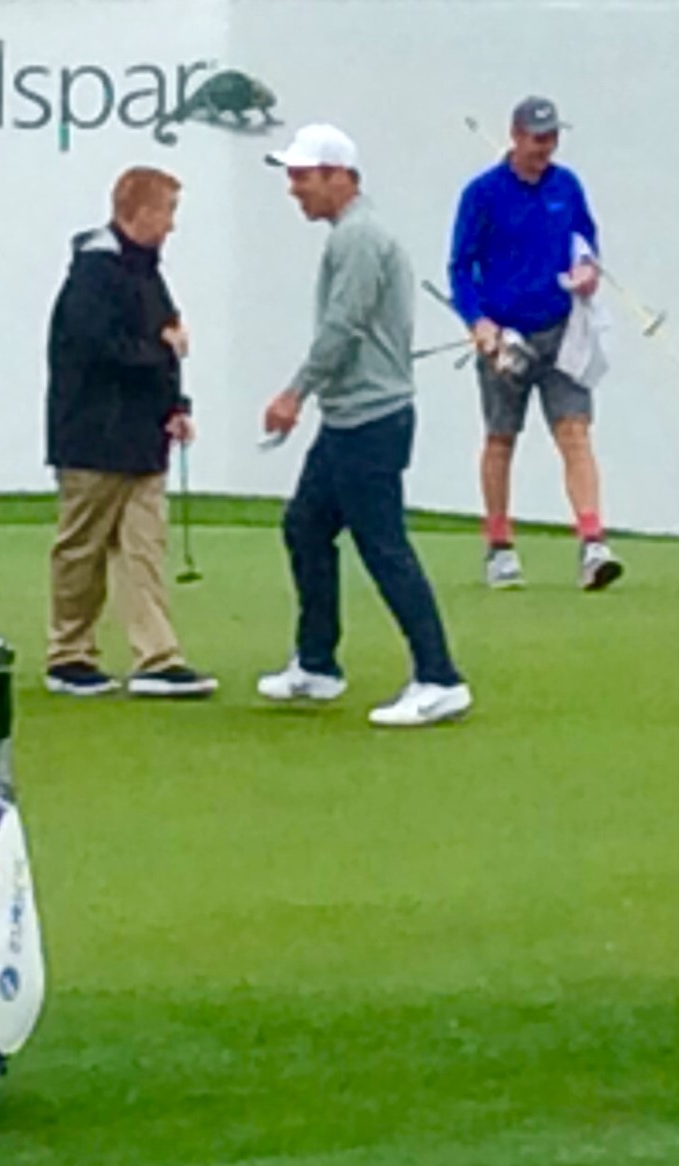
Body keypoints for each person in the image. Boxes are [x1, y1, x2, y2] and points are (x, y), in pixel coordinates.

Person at [256, 123, 472, 728]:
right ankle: (318, 662)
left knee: (383, 545)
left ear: (340, 177)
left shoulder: (357, 239)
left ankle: (439, 676)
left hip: (368, 420)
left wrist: (294, 393)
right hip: (355, 415)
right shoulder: (355, 234)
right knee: (305, 526)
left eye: (304, 176)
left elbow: (342, 327)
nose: (294, 188)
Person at [43, 166, 217, 699]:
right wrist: (164, 351)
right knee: (83, 548)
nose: (171, 226)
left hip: (144, 437)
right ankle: (68, 654)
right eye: (167, 212)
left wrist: (176, 405)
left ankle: (157, 658)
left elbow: (159, 338)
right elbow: (99, 349)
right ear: (137, 211)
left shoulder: (145, 272)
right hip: (94, 435)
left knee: (145, 548)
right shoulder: (94, 274)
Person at [448, 95, 624, 591]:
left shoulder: (566, 186)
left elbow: (586, 238)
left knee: (575, 431)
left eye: (552, 138)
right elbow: (461, 266)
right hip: (505, 336)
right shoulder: (482, 193)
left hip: (562, 329)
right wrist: (477, 321)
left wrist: (588, 270)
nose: (545, 148)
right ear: (516, 135)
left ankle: (593, 542)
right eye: (537, 139)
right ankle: (500, 546)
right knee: (501, 438)